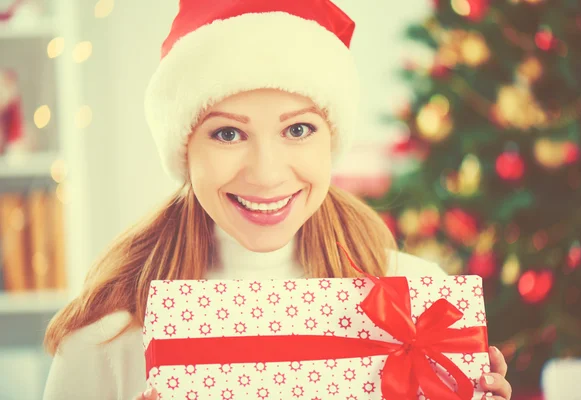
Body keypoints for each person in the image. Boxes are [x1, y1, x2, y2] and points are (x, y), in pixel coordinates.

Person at [42, 1, 512, 399]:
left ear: (330, 140)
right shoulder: (107, 340)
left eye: (298, 129)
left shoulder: (422, 306)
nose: (266, 174)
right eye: (228, 133)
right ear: (185, 150)